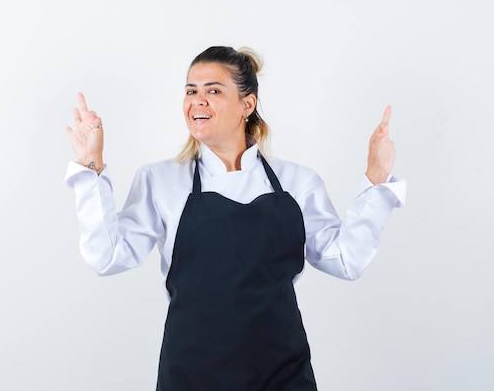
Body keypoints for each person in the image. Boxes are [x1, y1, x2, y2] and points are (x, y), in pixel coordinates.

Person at [64, 46, 405, 391]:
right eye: (190, 91)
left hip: (283, 375)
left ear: (247, 104)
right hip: (192, 375)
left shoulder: (298, 183)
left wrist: (376, 180)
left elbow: (346, 261)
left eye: (213, 90)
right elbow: (107, 257)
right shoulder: (160, 180)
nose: (198, 101)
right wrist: (89, 168)